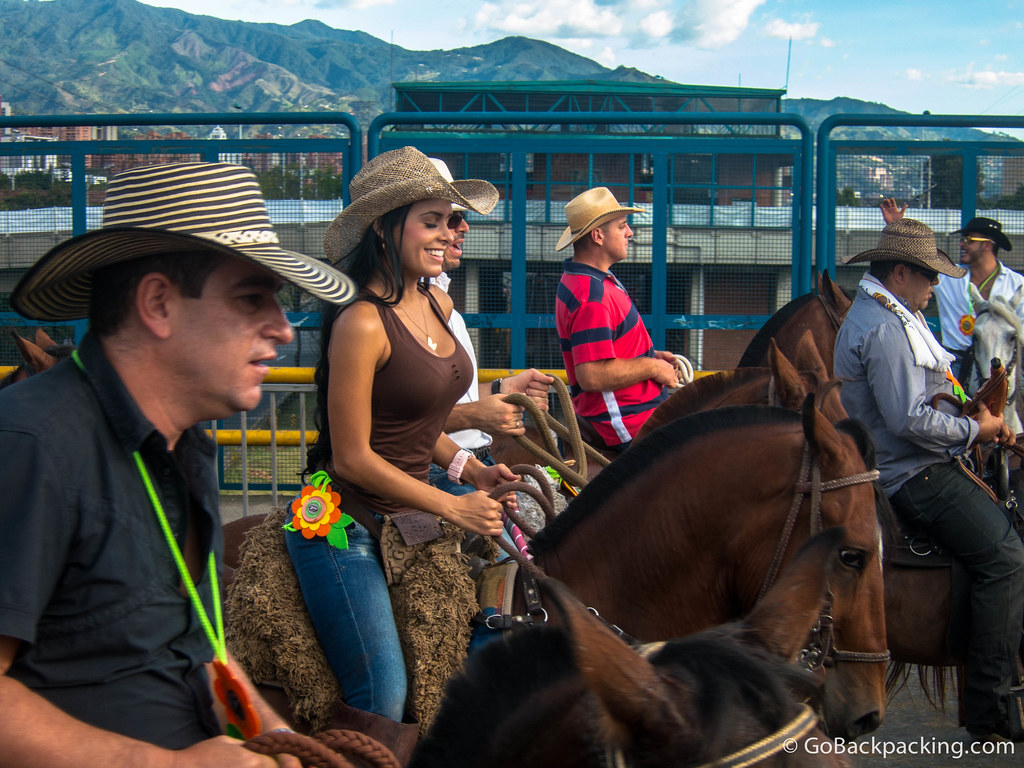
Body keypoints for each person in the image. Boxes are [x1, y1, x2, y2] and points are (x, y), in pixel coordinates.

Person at [0, 161, 358, 767]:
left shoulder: (187, 447)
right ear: (159, 303)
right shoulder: (32, 444)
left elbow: (202, 654)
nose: (283, 330)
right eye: (251, 298)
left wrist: (279, 745)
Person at [286, 147, 517, 729]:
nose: (450, 233)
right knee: (384, 692)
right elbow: (354, 456)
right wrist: (453, 507)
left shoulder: (437, 301)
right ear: (386, 229)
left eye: (452, 220)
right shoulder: (362, 321)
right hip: (348, 525)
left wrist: (471, 471)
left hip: (409, 519)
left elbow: (418, 423)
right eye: (432, 220)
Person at [834, 217, 1024, 743]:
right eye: (929, 276)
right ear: (900, 273)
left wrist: (976, 410)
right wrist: (974, 429)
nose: (938, 285)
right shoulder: (885, 328)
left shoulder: (889, 314)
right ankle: (990, 705)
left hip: (916, 460)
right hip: (909, 472)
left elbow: (936, 381)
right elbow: (908, 420)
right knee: (1006, 557)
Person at [425, 158, 553, 495]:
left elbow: (437, 405)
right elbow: (389, 426)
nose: (461, 228)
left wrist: (502, 390)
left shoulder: (443, 305)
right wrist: (473, 417)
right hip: (433, 474)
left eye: (452, 219)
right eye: (439, 220)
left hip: (464, 463)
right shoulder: (378, 315)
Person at [554, 186, 678, 450]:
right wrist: (653, 367)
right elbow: (592, 375)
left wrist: (651, 356)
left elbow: (608, 350)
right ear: (598, 235)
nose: (629, 233)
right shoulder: (592, 295)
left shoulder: (587, 279)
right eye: (622, 226)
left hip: (633, 416)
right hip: (627, 424)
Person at [881, 200, 1024, 383]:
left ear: (988, 245)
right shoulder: (950, 276)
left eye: (968, 239)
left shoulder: (1017, 285)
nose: (961, 244)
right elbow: (916, 260)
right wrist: (896, 227)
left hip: (998, 367)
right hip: (955, 364)